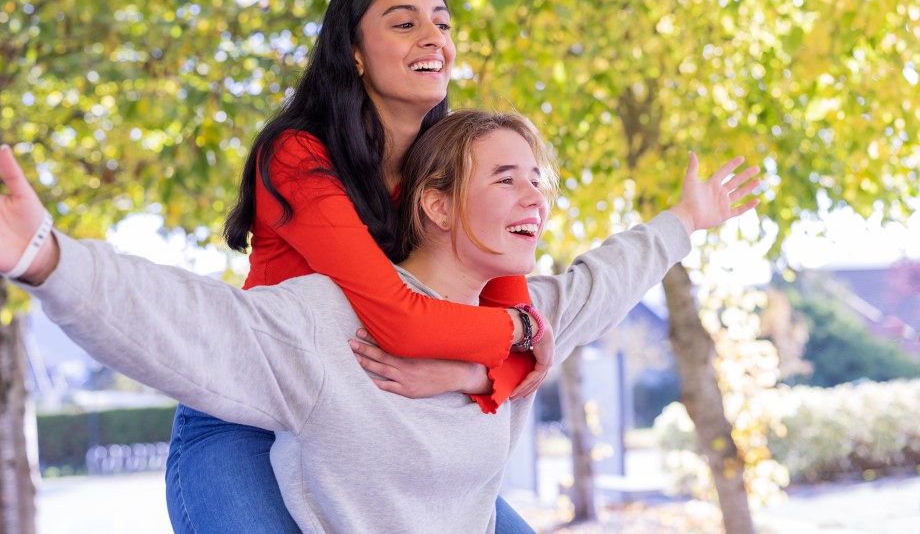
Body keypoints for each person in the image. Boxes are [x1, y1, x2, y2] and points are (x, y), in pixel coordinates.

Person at [0, 109, 760, 533]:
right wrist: (48, 258)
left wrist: (686, 220)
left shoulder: (526, 314)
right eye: (506, 178)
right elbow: (188, 321)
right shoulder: (330, 322)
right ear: (434, 203)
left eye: (540, 181)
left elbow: (609, 275)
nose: (537, 197)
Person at [166, 0, 552, 533]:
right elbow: (410, 324)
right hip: (244, 414)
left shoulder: (450, 173)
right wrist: (525, 334)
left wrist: (467, 373)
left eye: (442, 25)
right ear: (353, 52)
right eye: (404, 24)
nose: (433, 39)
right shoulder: (297, 156)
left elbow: (514, 354)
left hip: (369, 429)